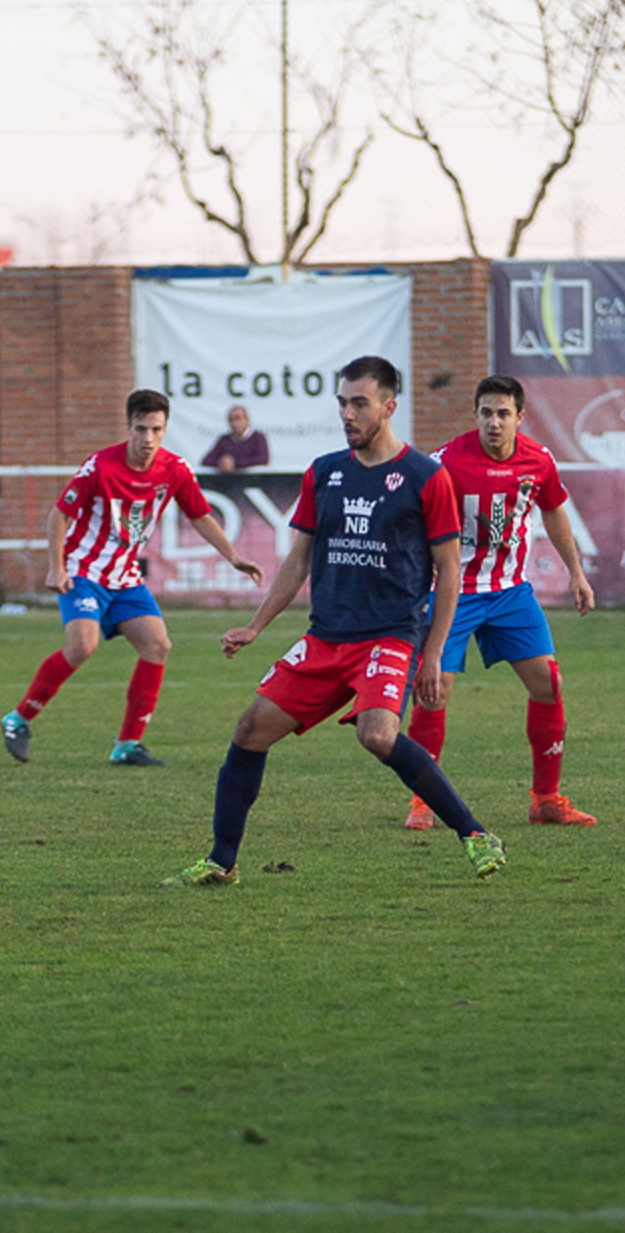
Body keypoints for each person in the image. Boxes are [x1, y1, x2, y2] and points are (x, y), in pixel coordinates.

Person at [161, 355, 505, 887]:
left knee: (378, 734)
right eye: (343, 402)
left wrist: (432, 653)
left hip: (390, 636)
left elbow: (449, 572)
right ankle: (221, 861)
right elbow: (298, 559)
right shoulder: (324, 472)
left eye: (360, 403)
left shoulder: (425, 478)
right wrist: (256, 626)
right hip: (326, 637)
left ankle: (474, 833)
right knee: (250, 729)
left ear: (390, 407)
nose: (348, 413)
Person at [2, 389, 264, 767]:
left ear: (165, 428)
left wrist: (234, 556)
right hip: (84, 571)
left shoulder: (174, 469)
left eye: (156, 429)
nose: (148, 439)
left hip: (124, 577)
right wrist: (56, 567)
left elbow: (200, 515)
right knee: (82, 645)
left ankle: (127, 744)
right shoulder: (100, 466)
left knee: (158, 646)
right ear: (128, 428)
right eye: (141, 429)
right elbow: (59, 515)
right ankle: (19, 719)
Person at [402, 375, 599, 829]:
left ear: (519, 417)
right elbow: (413, 517)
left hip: (510, 592)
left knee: (549, 684)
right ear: (475, 416)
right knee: (435, 692)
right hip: (453, 593)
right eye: (486, 413)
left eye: (503, 413)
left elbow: (553, 509)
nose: (494, 422)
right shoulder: (445, 463)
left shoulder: (538, 460)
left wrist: (576, 573)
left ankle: (545, 801)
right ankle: (423, 801)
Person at [202, 404, 269, 471]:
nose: (234, 423)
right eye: (230, 420)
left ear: (247, 420)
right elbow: (206, 461)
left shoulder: (258, 438)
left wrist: (235, 463)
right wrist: (221, 463)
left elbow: (262, 459)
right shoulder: (224, 440)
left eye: (237, 418)